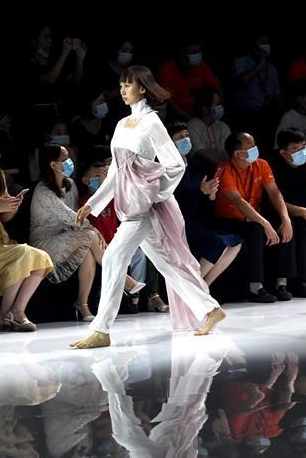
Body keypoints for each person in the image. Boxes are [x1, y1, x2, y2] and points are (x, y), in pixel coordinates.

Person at [69, 65, 226, 349]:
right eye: (121, 86)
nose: (123, 90)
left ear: (142, 88)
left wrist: (153, 193)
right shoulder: (121, 124)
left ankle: (101, 329)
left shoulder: (152, 122)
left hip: (143, 206)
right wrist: (92, 203)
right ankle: (210, 308)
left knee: (114, 257)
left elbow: (176, 164)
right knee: (164, 263)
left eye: (128, 85)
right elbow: (116, 171)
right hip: (131, 204)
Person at [0, 136, 53, 332]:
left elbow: (4, 219)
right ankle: (4, 315)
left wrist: (12, 207)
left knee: (40, 257)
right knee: (23, 252)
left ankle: (17, 311)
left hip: (0, 242)